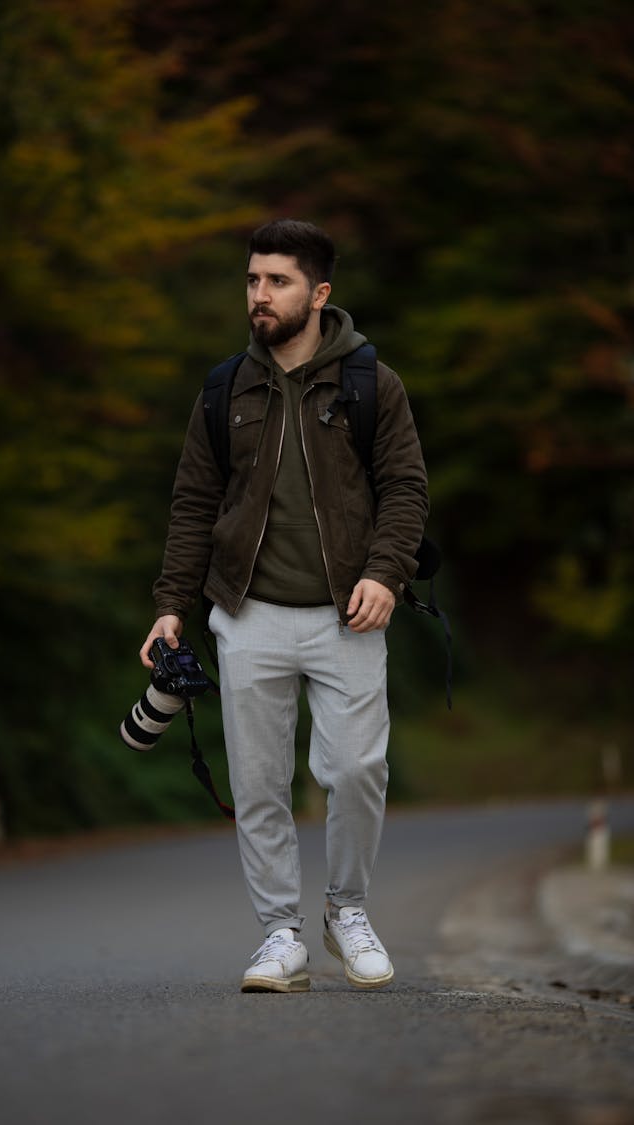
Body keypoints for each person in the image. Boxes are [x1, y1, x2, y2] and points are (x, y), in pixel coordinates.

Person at [139, 219, 429, 993]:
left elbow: (405, 488)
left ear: (320, 293)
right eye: (253, 280)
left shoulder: (372, 384)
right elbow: (194, 502)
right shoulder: (225, 387)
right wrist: (172, 604)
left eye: (278, 281)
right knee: (260, 782)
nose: (259, 296)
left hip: (348, 611)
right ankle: (281, 935)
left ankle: (347, 910)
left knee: (359, 768)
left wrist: (386, 574)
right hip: (249, 610)